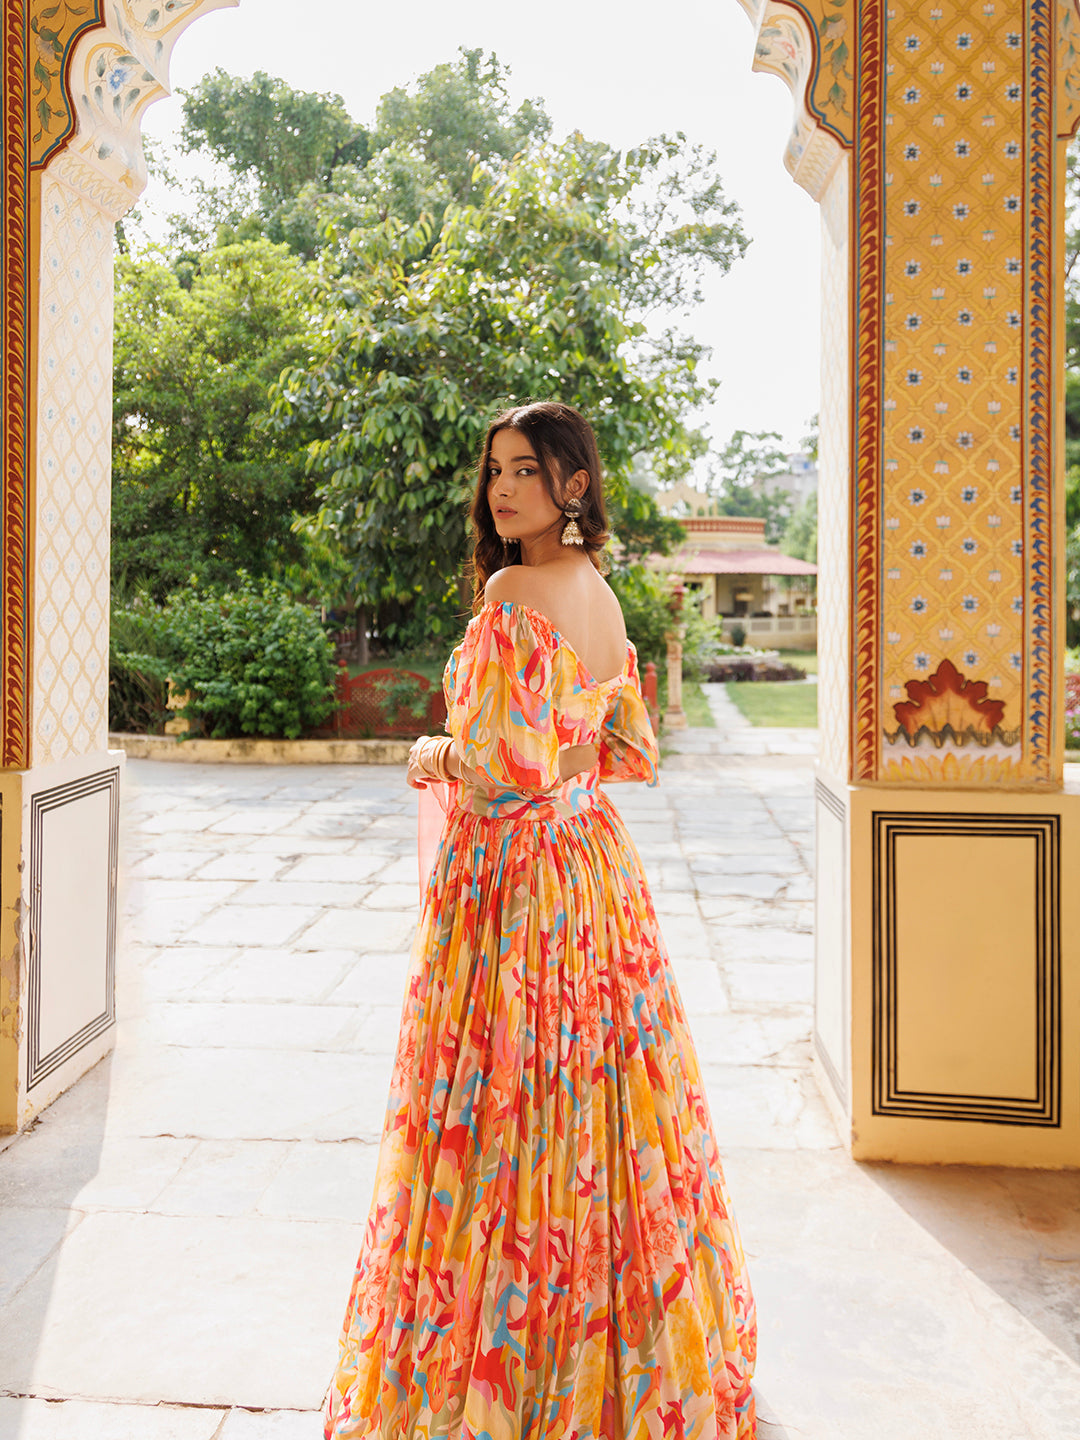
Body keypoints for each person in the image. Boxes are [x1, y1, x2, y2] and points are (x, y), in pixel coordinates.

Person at [324, 401, 757, 1440]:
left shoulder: (516, 590)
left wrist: (430, 754)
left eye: (525, 469)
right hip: (589, 865)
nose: (501, 488)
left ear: (573, 485)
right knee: (598, 1107)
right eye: (493, 471)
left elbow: (496, 763)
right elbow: (628, 752)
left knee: (502, 1107)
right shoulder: (602, 595)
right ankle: (609, 1358)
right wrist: (540, 763)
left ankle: (502, 1372)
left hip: (517, 878)